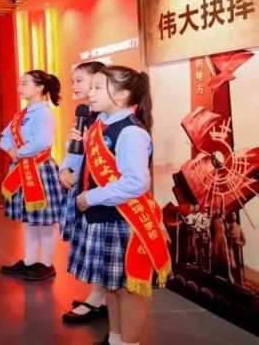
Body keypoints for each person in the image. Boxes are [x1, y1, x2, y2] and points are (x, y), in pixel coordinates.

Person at [67, 66, 171, 345]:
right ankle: (115, 338)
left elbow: (136, 183)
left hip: (123, 220)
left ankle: (129, 342)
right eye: (91, 86)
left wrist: (91, 197)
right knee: (111, 287)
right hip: (104, 218)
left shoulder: (131, 132)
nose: (90, 93)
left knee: (128, 291)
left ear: (123, 95)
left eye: (97, 88)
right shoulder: (100, 124)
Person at [0, 70, 64, 281]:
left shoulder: (44, 113)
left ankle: (45, 263)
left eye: (24, 83)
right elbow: (5, 136)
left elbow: (42, 141)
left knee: (44, 221)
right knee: (30, 221)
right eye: (19, 83)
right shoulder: (22, 114)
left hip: (40, 169)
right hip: (22, 168)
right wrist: (10, 150)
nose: (19, 88)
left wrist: (19, 153)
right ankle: (29, 262)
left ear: (40, 88)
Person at [58, 61, 109, 323]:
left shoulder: (109, 121)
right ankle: (99, 298)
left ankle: (98, 300)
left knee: (102, 253)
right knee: (92, 249)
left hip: (101, 195)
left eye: (80, 80)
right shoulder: (86, 117)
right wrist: (65, 170)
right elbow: (75, 151)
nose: (74, 86)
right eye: (73, 81)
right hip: (85, 191)